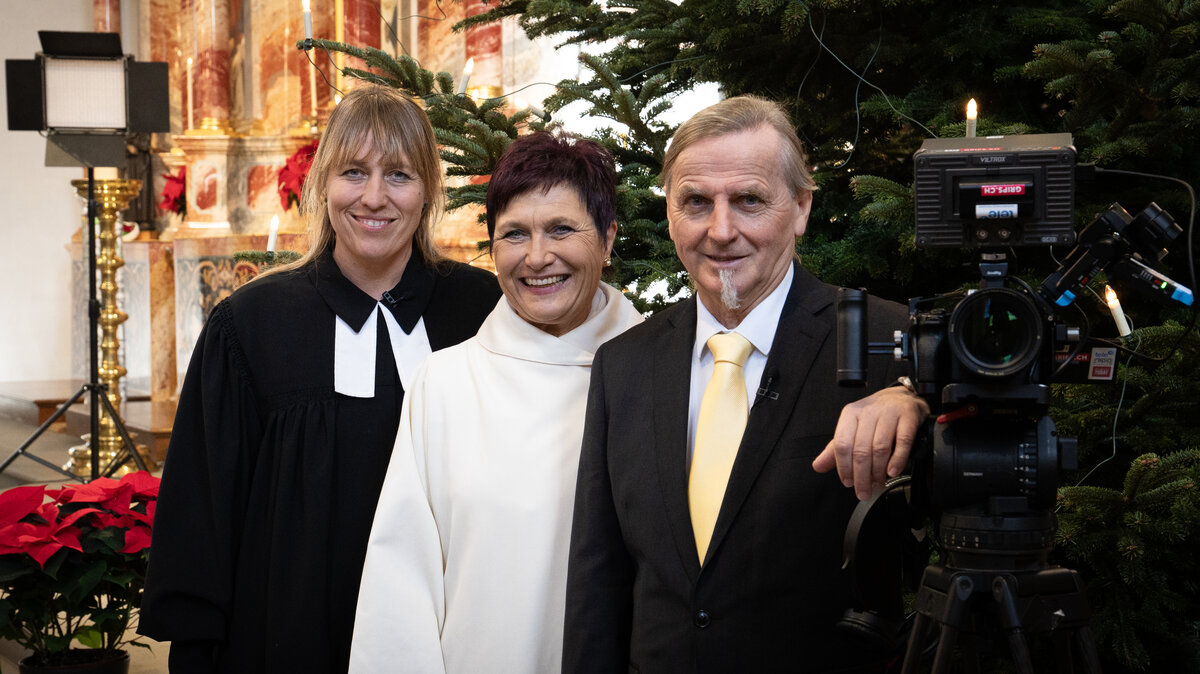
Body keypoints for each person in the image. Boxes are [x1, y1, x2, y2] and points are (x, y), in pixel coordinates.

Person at [138, 84, 502, 673]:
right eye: (353, 172)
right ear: (321, 185)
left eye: (400, 175)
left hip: (450, 628)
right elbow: (203, 507)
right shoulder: (249, 325)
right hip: (289, 629)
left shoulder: (481, 310)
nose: (374, 197)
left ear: (429, 191)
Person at [562, 95, 929, 673]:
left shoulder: (887, 341)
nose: (721, 230)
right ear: (669, 214)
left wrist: (914, 400)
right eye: (696, 203)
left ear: (802, 208)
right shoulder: (622, 364)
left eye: (750, 201)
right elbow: (597, 577)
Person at [349, 131, 643, 673]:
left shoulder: (661, 375)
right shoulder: (446, 383)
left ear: (606, 238)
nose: (537, 257)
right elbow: (400, 586)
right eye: (514, 234)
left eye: (561, 229)